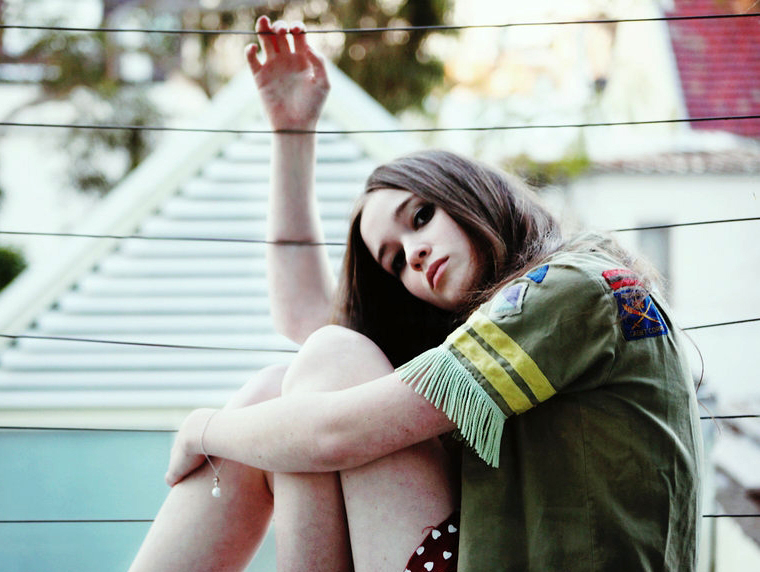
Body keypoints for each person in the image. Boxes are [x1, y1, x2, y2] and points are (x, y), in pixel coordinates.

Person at [128, 16, 702, 572]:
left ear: (471, 193)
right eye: (397, 260)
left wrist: (203, 428)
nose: (415, 254)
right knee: (283, 385)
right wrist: (293, 136)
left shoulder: (572, 289)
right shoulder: (502, 330)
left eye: (421, 217)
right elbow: (308, 320)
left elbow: (332, 429)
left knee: (322, 369)